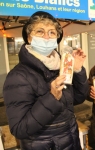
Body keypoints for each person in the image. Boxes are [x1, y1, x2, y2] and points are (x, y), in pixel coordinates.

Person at [3, 11, 89, 150]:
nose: (47, 37)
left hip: (71, 141)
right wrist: (52, 98)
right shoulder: (18, 76)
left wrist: (78, 71)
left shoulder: (60, 66)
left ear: (57, 38)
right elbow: (19, 129)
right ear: (29, 38)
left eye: (51, 33)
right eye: (40, 32)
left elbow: (78, 99)